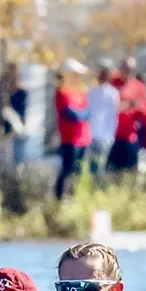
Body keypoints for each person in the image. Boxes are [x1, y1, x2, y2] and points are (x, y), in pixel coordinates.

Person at [54, 60, 90, 198]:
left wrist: (80, 113)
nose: (78, 77)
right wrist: (80, 113)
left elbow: (88, 112)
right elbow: (70, 114)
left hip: (83, 139)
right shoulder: (62, 93)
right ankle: (60, 198)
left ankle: (75, 197)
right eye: (75, 74)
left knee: (79, 171)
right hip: (70, 139)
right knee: (67, 169)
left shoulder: (80, 93)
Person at [86, 62, 120, 165]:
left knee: (99, 167)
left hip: (105, 137)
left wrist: (110, 136)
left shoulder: (112, 93)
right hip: (89, 136)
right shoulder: (90, 90)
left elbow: (114, 116)